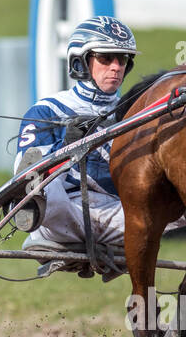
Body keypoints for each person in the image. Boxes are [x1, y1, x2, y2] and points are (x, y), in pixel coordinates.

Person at [14, 15, 144, 255]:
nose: (116, 66)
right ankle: (29, 208)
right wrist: (65, 147)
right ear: (80, 63)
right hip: (61, 214)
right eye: (105, 58)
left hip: (120, 220)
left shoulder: (133, 115)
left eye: (122, 59)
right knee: (35, 175)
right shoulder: (48, 109)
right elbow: (23, 171)